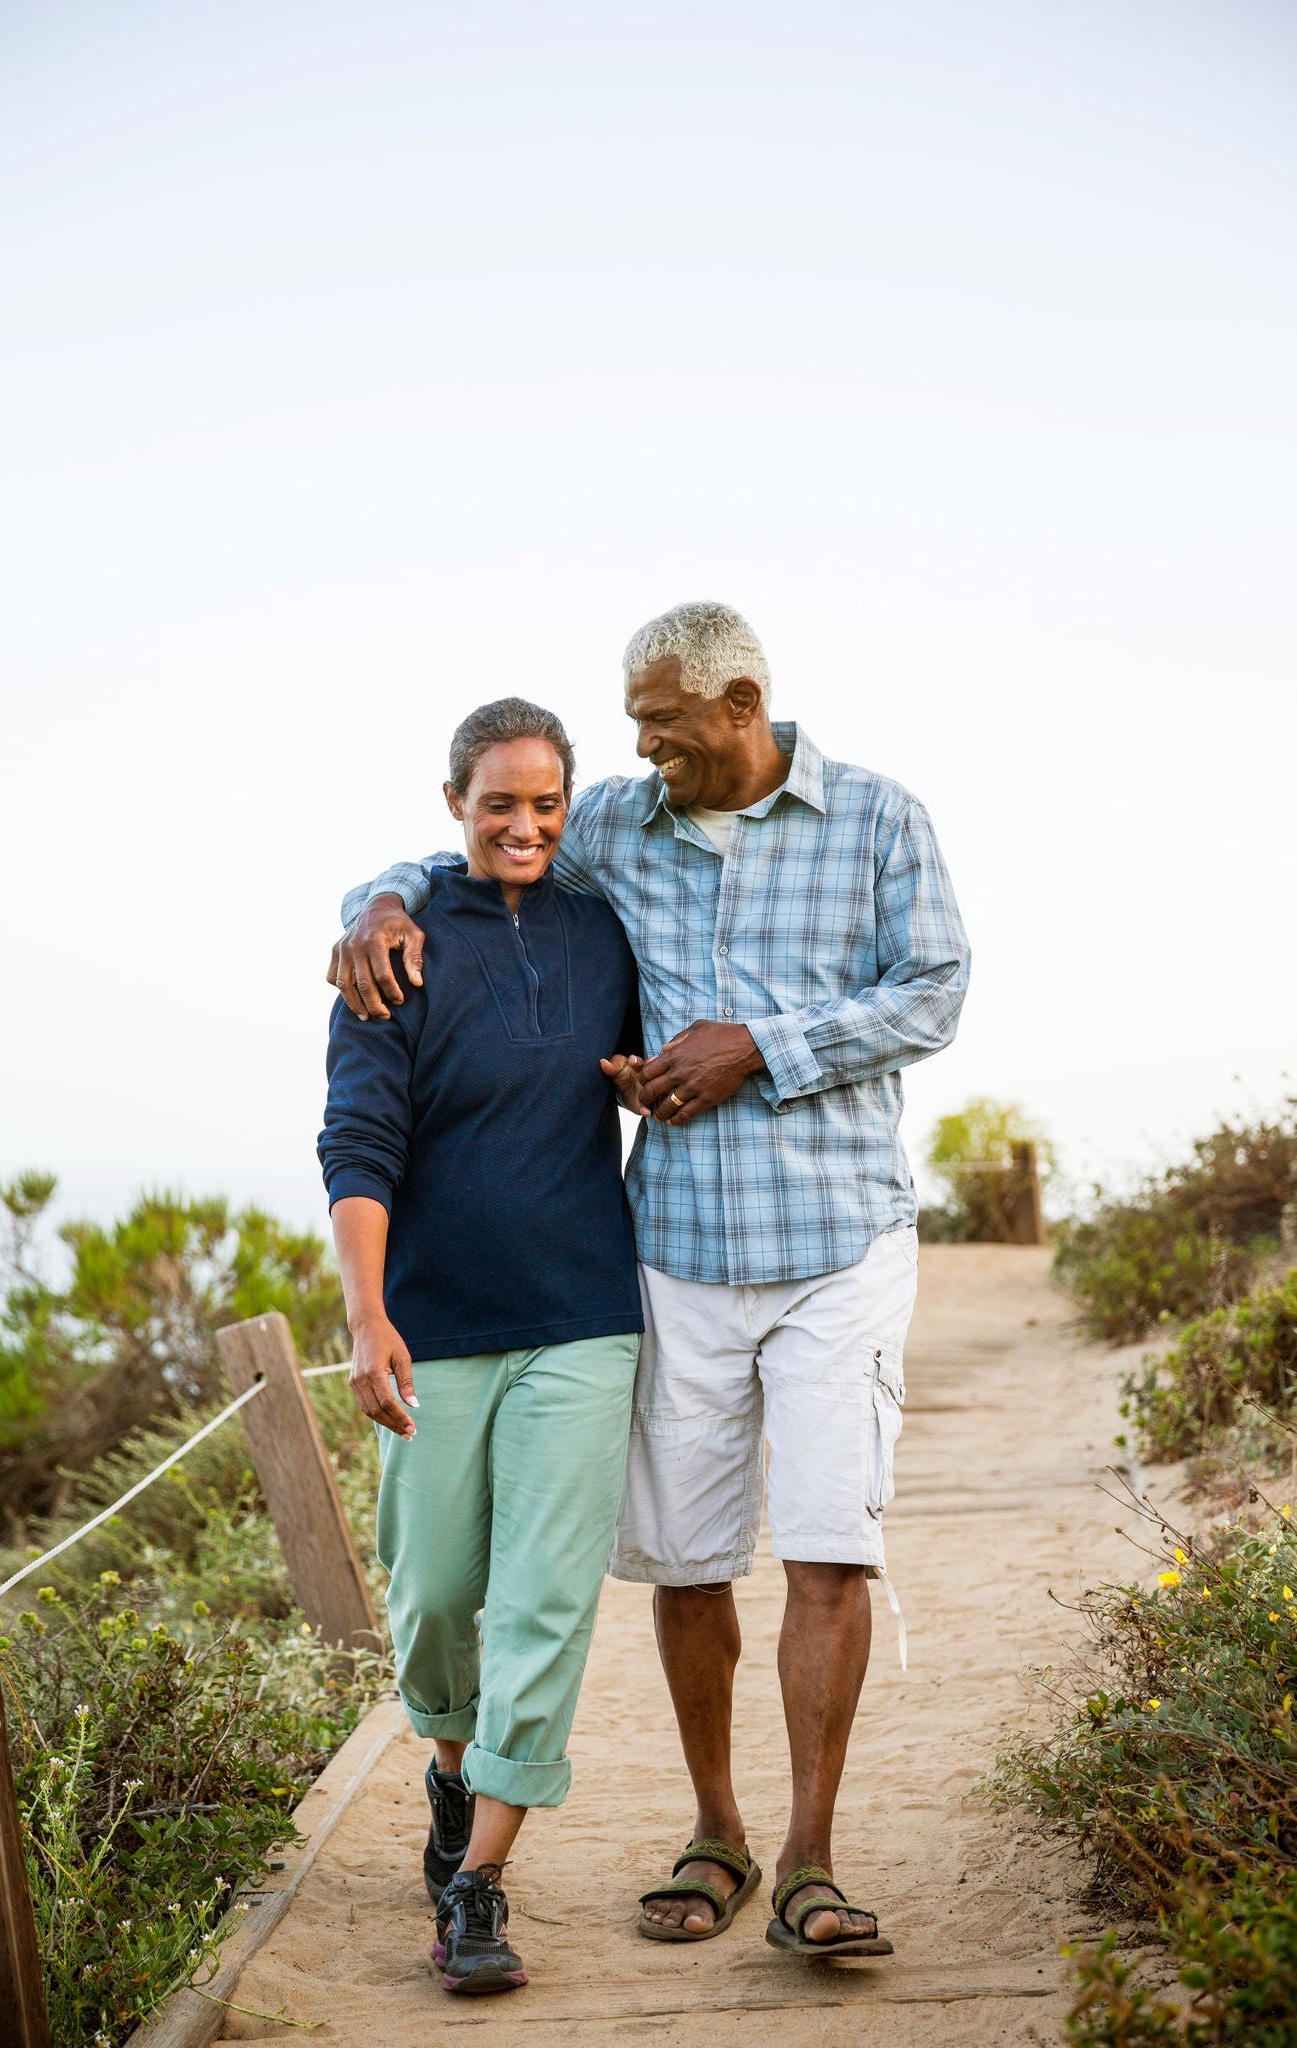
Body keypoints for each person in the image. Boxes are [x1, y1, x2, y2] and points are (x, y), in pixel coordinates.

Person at [329, 601, 970, 1962]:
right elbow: (479, 839)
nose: (641, 749)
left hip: (837, 1242)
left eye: (662, 725)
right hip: (671, 1248)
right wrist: (368, 903)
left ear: (738, 703)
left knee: (822, 1547)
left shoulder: (874, 819)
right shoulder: (620, 823)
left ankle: (808, 1859)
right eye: (631, 727)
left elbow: (934, 991)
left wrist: (760, 1045)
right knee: (684, 1566)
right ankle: (715, 1831)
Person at [318, 697, 645, 1997]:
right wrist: (367, 1312)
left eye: (545, 802)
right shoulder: (390, 947)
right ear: (454, 801)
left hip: (582, 1315)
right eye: (499, 802)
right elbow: (359, 1137)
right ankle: (449, 1777)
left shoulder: (605, 927)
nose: (524, 824)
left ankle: (478, 1885)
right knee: (439, 1595)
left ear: (569, 805)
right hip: (435, 1325)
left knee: (545, 1604)